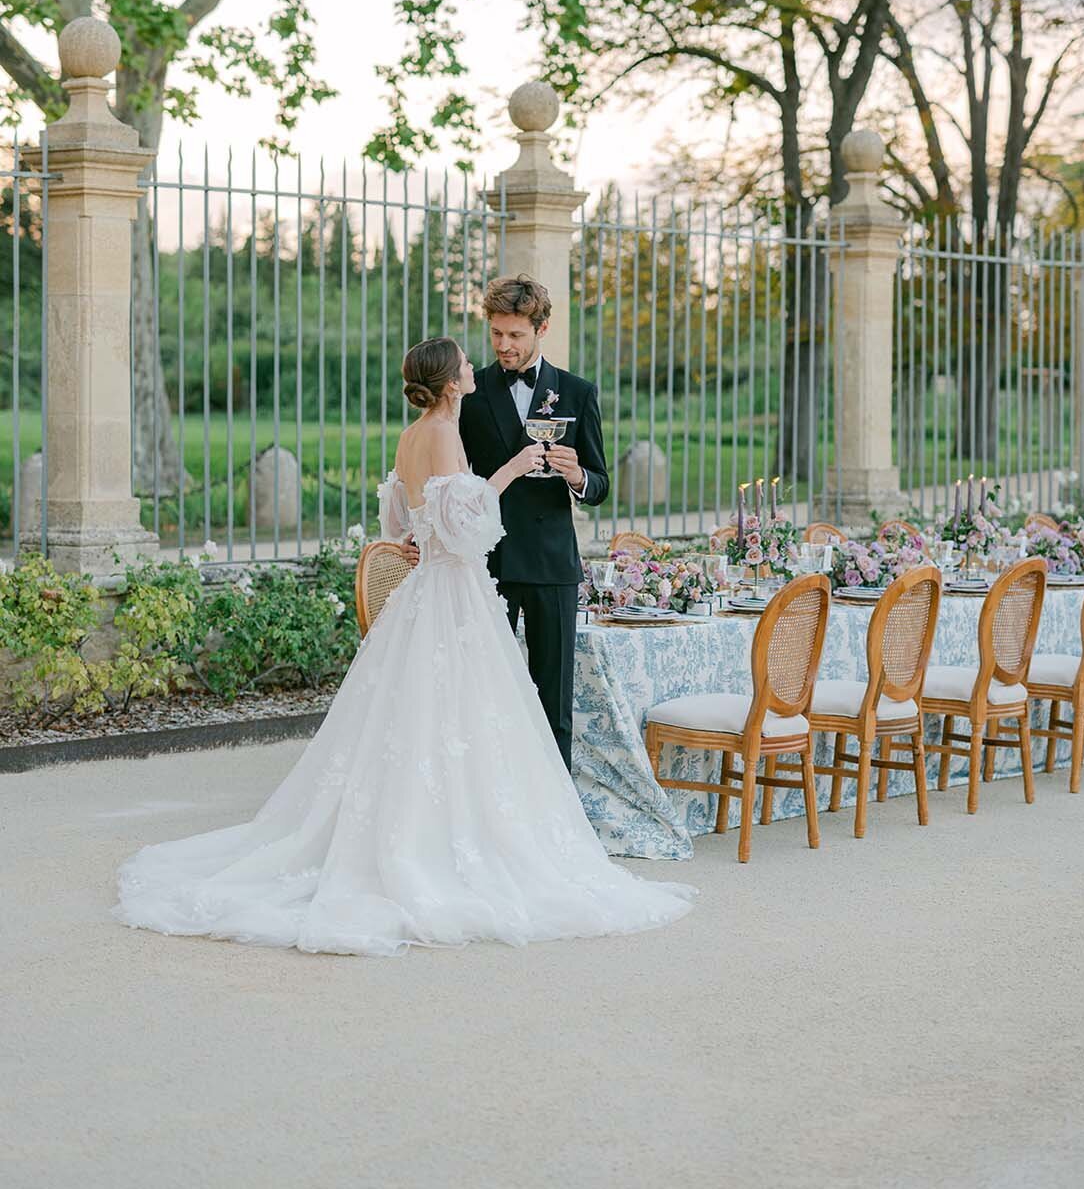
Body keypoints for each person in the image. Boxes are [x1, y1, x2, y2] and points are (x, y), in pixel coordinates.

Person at [113, 337, 693, 957]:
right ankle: (446, 843)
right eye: (466, 363)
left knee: (427, 719)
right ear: (450, 384)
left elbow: (399, 523)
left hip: (428, 592)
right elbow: (467, 524)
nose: (479, 362)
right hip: (454, 593)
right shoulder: (443, 432)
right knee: (462, 717)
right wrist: (513, 470)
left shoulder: (413, 433)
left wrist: (438, 529)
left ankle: (434, 827)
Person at [458, 275, 608, 769]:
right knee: (482, 695)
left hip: (550, 564)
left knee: (553, 702)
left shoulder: (577, 392)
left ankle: (557, 817)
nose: (504, 345)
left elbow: (601, 485)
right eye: (497, 333)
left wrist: (577, 474)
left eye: (515, 335)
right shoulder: (471, 394)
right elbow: (456, 480)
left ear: (541, 328)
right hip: (489, 562)